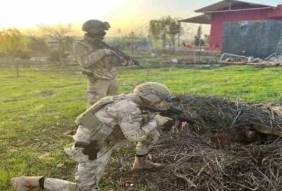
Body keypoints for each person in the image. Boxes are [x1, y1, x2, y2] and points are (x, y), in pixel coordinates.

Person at [10, 82, 175, 191]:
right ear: (148, 100)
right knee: (85, 189)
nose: (160, 106)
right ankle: (28, 181)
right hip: (92, 145)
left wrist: (155, 120)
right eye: (158, 103)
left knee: (151, 134)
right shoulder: (128, 107)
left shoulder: (133, 101)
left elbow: (138, 121)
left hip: (109, 137)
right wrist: (156, 121)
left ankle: (140, 163)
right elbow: (133, 135)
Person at [73, 19, 131, 106]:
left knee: (112, 103)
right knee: (97, 105)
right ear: (92, 32)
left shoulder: (102, 44)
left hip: (112, 77)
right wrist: (102, 52)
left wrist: (121, 61)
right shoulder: (80, 44)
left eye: (103, 32)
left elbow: (109, 62)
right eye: (100, 32)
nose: (103, 34)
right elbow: (84, 62)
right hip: (97, 79)